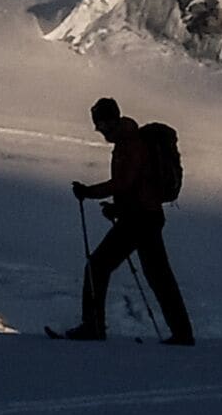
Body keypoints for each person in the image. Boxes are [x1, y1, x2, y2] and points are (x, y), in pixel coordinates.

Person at [63, 95, 193, 344]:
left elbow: (124, 183)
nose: (100, 131)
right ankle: (182, 333)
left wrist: (89, 192)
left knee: (97, 267)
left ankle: (93, 327)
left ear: (110, 120)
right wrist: (117, 209)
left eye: (101, 125)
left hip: (139, 219)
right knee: (158, 276)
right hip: (146, 217)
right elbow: (135, 187)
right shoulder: (130, 141)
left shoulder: (129, 144)